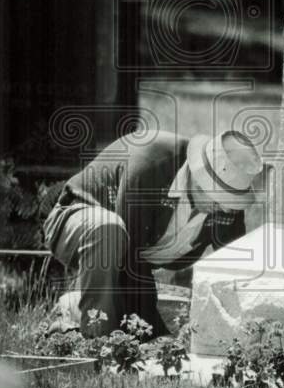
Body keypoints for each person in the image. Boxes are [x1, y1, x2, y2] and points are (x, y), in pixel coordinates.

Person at [42, 129, 263, 337]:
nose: (227, 208)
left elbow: (236, 269)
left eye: (232, 200)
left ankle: (75, 305)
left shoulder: (226, 197)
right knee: (109, 229)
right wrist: (155, 333)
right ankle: (97, 342)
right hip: (77, 222)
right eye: (222, 198)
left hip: (134, 257)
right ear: (199, 177)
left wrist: (251, 328)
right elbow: (131, 261)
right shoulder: (150, 165)